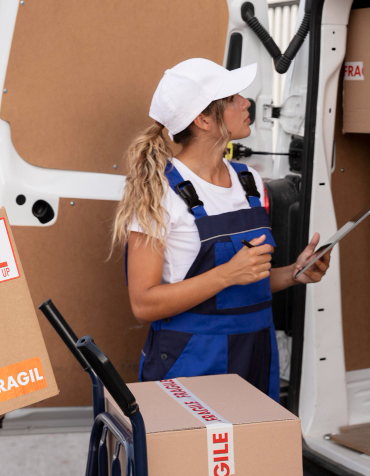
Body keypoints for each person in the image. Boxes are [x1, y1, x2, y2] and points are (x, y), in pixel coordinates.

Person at [113, 58, 330, 401]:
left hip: (257, 350)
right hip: (192, 360)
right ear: (202, 119)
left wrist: (293, 274)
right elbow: (143, 304)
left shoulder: (250, 181)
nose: (246, 103)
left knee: (254, 452)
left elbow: (247, 283)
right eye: (233, 98)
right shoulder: (159, 192)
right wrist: (226, 274)